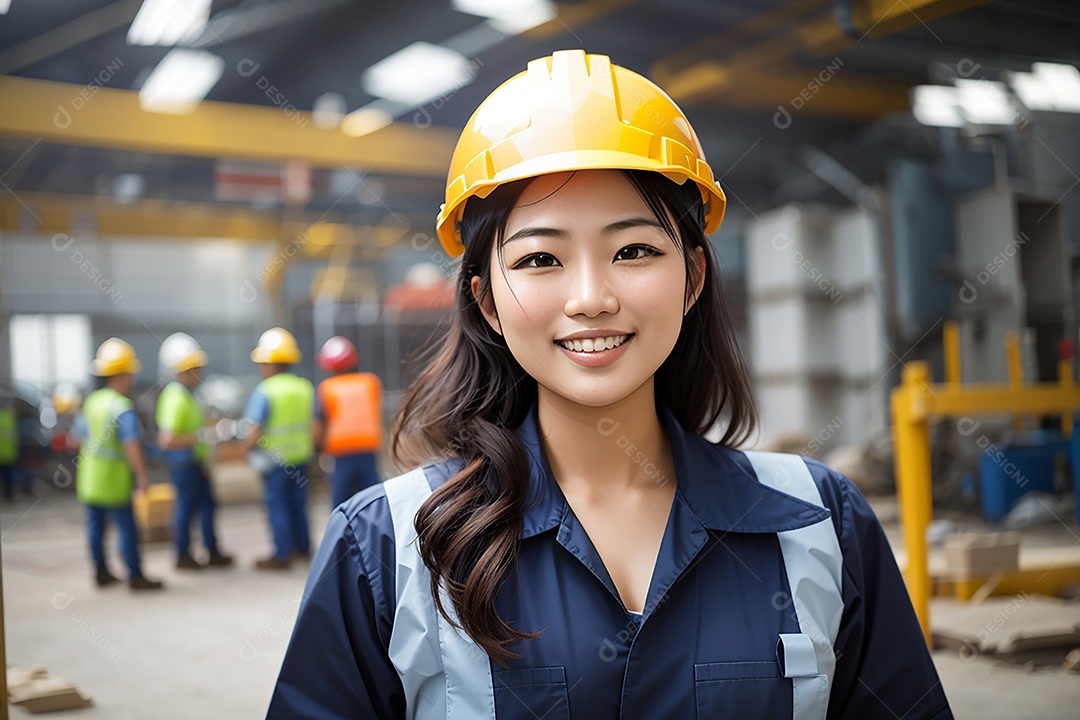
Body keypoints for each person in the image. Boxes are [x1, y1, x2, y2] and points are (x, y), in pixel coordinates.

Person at [267, 50, 952, 719]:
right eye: (540, 258)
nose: (591, 297)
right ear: (487, 302)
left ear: (694, 278)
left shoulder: (822, 525)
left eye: (634, 250)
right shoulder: (387, 548)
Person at [76, 338, 163, 591]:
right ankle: (135, 575)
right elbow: (132, 445)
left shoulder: (92, 402)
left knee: (95, 528)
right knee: (127, 529)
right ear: (124, 374)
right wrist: (143, 477)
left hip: (90, 478)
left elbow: (79, 435)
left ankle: (101, 572)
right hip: (113, 482)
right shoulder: (122, 407)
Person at [156, 332, 233, 570]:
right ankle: (183, 555)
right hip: (184, 465)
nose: (198, 374)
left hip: (197, 463)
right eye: (193, 369)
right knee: (186, 510)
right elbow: (166, 440)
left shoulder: (190, 396)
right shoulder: (175, 398)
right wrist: (201, 437)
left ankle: (211, 549)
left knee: (208, 506)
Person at [240, 327, 314, 570]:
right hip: (301, 457)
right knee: (298, 504)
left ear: (269, 364)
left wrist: (244, 450)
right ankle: (303, 548)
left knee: (278, 506)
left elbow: (254, 429)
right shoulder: (304, 387)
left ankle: (283, 554)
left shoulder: (266, 390)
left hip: (275, 462)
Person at [314, 336, 383, 508]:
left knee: (341, 505)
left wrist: (317, 451)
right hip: (368, 452)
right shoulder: (370, 382)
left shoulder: (327, 388)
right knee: (373, 502)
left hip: (341, 455)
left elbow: (319, 425)